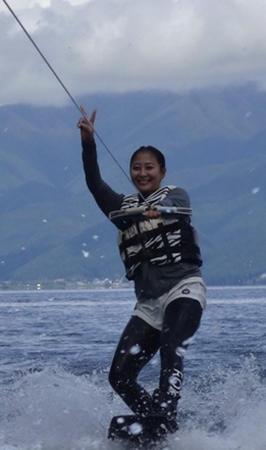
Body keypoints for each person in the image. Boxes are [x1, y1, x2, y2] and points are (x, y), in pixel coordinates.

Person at [77, 108, 205, 430]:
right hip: (148, 304)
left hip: (183, 290)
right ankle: (156, 422)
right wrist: (88, 143)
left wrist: (157, 210)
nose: (142, 173)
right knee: (119, 375)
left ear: (162, 171)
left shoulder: (176, 195)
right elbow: (94, 183)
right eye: (137, 168)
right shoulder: (123, 208)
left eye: (149, 167)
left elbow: (177, 207)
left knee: (171, 348)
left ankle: (164, 414)